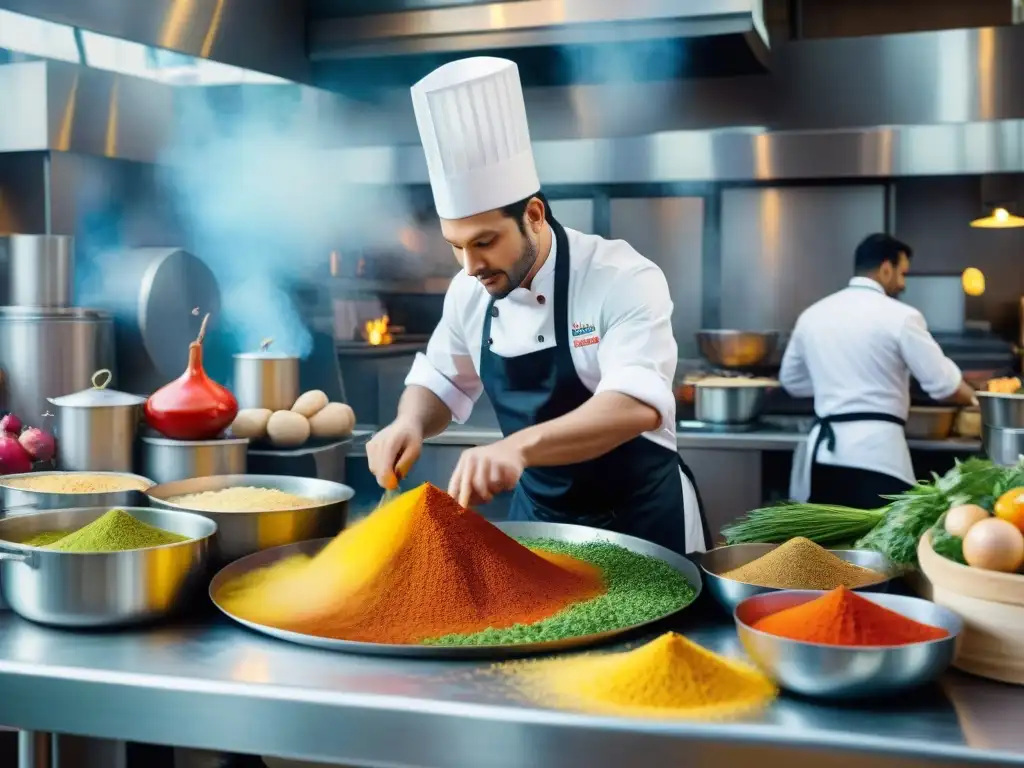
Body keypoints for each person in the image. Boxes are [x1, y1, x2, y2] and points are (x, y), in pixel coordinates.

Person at [366, 56, 709, 555]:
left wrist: (516, 448)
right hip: (539, 526)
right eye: (455, 245)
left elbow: (633, 406)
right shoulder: (469, 290)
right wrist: (409, 423)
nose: (469, 265)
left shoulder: (622, 276)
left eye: (484, 241)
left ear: (533, 215)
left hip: (640, 521)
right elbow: (440, 380)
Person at [781, 233, 977, 507]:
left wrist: (836, 383)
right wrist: (977, 400)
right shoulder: (902, 316)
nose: (903, 283)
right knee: (879, 546)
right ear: (886, 268)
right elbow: (943, 384)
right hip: (878, 457)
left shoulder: (812, 314)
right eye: (902, 273)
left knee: (826, 548)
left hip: (825, 456)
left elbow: (791, 381)